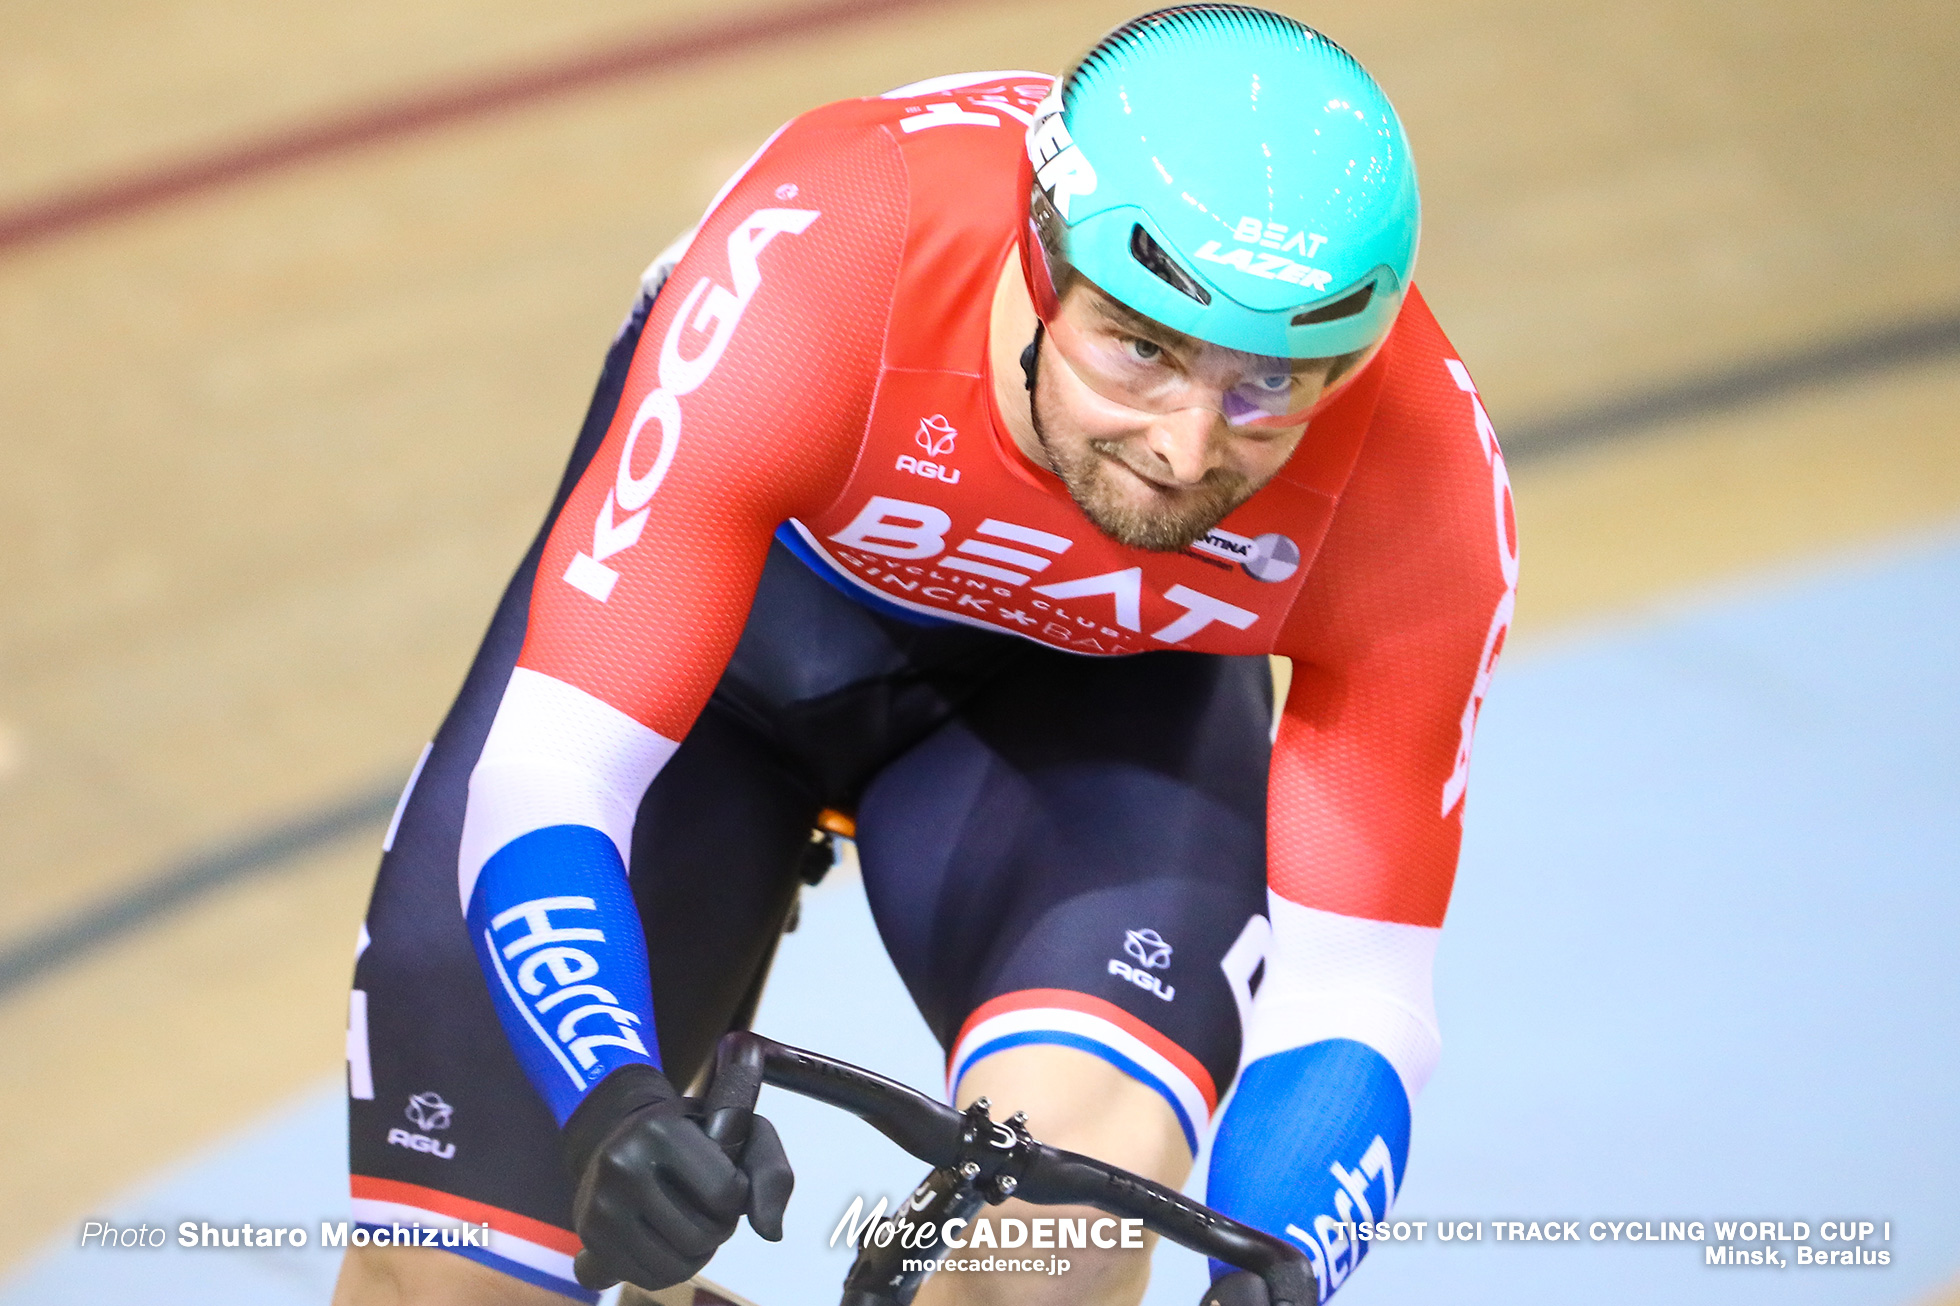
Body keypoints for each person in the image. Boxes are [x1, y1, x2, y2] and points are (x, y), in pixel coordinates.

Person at [334, 6, 1517, 1305]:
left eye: (1266, 391)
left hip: (1096, 711)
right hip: (725, 664)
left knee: (1050, 1250)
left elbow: (1362, 993)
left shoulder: (1422, 485)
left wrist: (1277, 1269)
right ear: (1040, 262)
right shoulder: (836, 250)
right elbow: (556, 771)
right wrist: (612, 1094)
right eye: (1142, 352)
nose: (1186, 449)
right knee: (446, 1282)